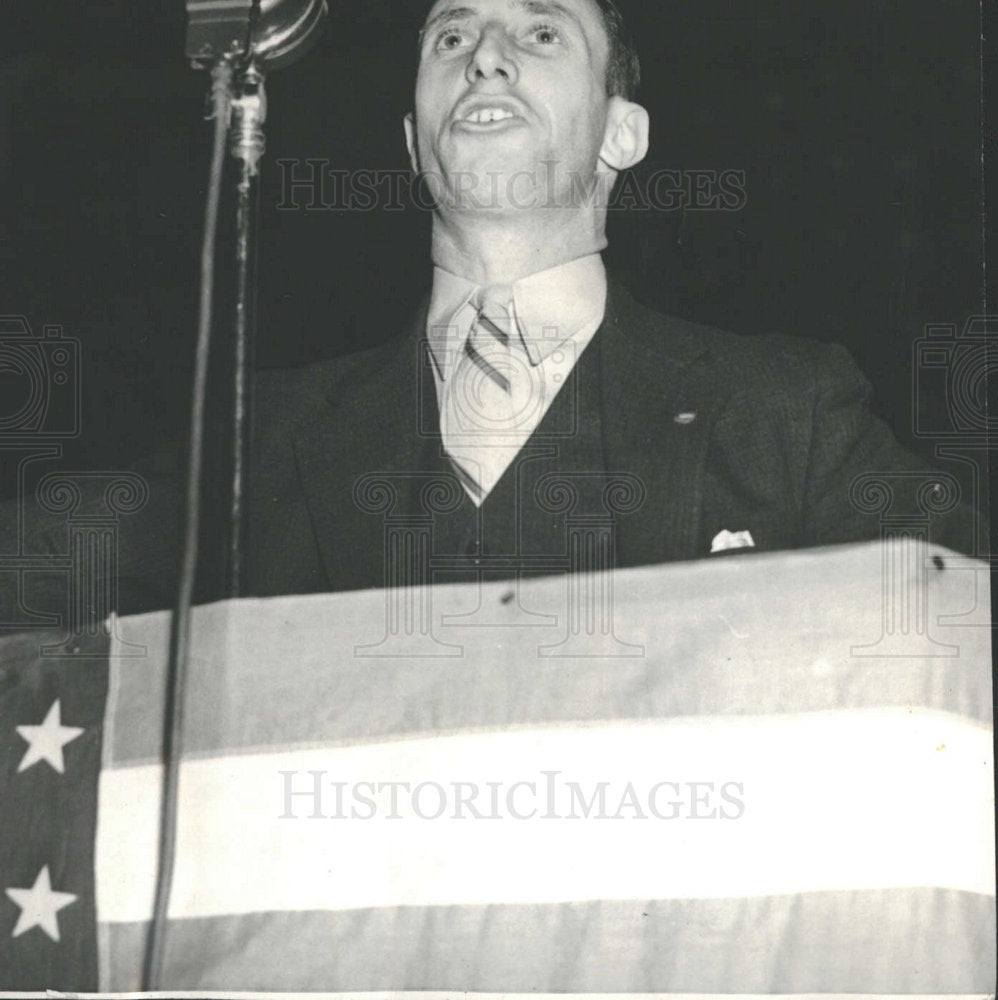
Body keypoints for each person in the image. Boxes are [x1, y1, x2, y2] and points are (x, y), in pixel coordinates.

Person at [0, 0, 976, 621]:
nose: (485, 59)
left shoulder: (783, 410)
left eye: (541, 32)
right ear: (411, 142)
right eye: (452, 36)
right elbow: (37, 566)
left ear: (623, 133)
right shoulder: (262, 437)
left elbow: (956, 599)